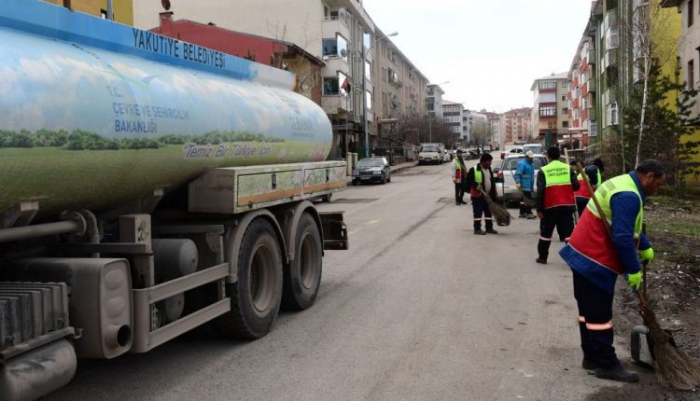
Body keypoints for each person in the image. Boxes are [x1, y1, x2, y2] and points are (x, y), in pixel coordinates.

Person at [559, 160, 665, 383]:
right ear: (648, 176)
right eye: (658, 183)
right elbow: (622, 237)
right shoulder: (628, 195)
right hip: (593, 258)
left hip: (581, 253)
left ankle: (591, 357)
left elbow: (622, 224)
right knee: (599, 315)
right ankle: (606, 364)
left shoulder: (622, 183)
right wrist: (633, 269)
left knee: (587, 310)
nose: (658, 189)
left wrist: (644, 244)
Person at [535, 147, 579, 264]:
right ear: (559, 156)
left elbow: (540, 191)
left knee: (546, 233)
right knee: (569, 234)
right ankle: (572, 259)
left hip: (550, 207)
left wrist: (539, 208)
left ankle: (542, 257)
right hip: (567, 206)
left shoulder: (543, 170)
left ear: (548, 157)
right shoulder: (568, 168)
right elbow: (576, 186)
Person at [467, 153, 498, 235]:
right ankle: (477, 229)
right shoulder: (474, 170)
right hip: (478, 196)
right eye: (489, 161)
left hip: (487, 196)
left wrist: (494, 195)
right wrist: (476, 185)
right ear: (483, 162)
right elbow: (468, 181)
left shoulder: (489, 170)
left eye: (491, 161)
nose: (490, 163)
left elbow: (491, 182)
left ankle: (489, 228)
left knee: (488, 213)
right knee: (478, 213)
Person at [514, 150, 536, 219]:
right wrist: (518, 185)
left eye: (532, 158)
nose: (532, 159)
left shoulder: (531, 164)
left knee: (523, 200)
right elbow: (517, 175)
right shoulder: (522, 164)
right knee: (527, 199)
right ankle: (529, 213)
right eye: (530, 158)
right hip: (524, 186)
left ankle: (522, 213)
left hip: (529, 185)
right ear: (526, 157)